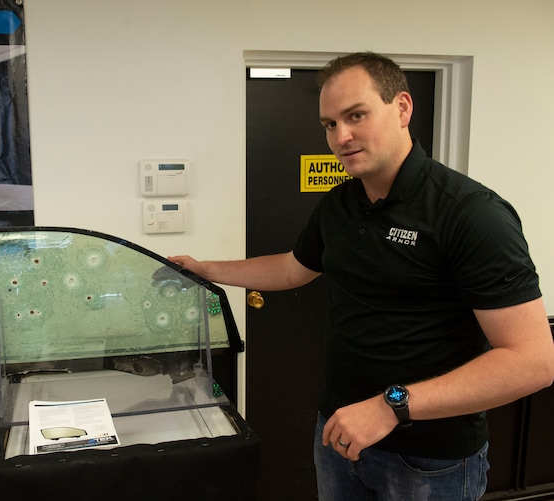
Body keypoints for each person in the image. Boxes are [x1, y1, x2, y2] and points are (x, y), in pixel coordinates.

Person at [169, 52, 554, 500]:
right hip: (340, 437)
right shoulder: (340, 204)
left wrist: (392, 406)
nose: (341, 137)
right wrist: (205, 270)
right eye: (330, 124)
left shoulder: (470, 213)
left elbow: (532, 362)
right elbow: (293, 268)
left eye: (356, 115)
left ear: (402, 108)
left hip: (430, 461)